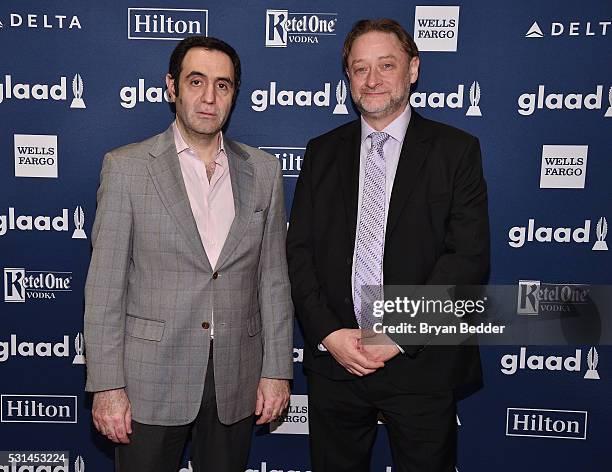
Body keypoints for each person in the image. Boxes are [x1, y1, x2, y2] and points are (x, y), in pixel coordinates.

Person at [286, 19, 490, 472]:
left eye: (386, 65)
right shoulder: (322, 151)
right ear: (348, 78)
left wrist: (396, 332)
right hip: (337, 361)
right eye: (360, 69)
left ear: (413, 69)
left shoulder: (456, 151)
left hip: (421, 362)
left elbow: (467, 258)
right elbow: (297, 252)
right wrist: (327, 333)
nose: (372, 80)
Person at [84, 36, 293, 472]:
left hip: (235, 378)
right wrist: (107, 386)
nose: (208, 97)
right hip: (149, 379)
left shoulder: (264, 171)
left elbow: (273, 279)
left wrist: (277, 371)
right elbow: (105, 288)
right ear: (171, 87)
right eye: (196, 81)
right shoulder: (127, 168)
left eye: (223, 85)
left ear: (234, 94)